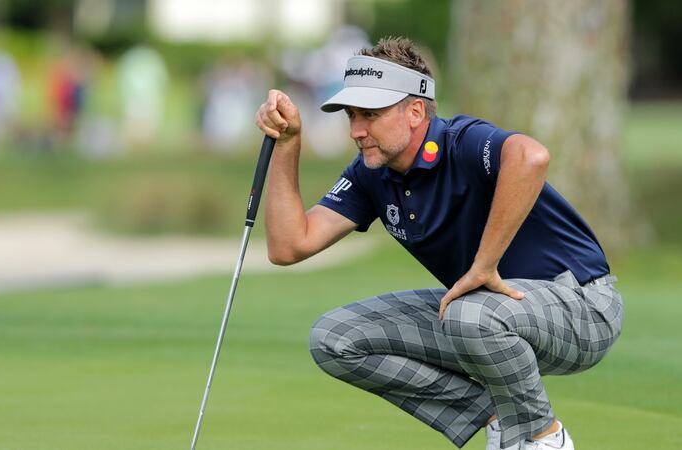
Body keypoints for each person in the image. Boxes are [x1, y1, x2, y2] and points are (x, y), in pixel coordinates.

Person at [255, 37, 623, 450]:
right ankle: (500, 415)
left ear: (415, 111)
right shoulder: (371, 173)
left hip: (583, 308)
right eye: (352, 115)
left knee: (468, 314)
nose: (357, 131)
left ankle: (542, 436)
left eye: (371, 115)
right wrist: (288, 146)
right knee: (335, 338)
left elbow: (531, 156)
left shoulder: (460, 141)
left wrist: (484, 266)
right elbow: (289, 246)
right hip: (485, 316)